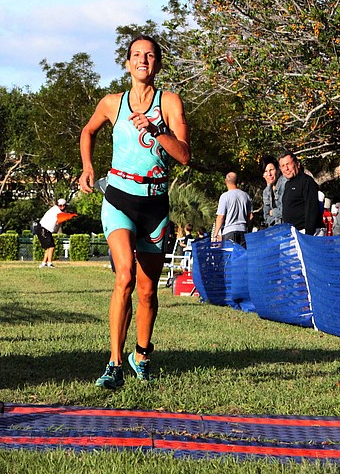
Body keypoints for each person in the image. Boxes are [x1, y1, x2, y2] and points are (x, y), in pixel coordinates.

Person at [79, 35, 190, 389]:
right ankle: (113, 362)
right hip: (119, 197)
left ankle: (141, 355)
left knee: (147, 289)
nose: (143, 60)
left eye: (150, 55)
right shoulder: (112, 103)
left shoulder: (170, 102)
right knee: (124, 275)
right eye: (137, 55)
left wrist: (157, 130)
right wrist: (87, 166)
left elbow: (184, 155)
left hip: (155, 203)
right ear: (127, 63)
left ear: (158, 63)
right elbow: (88, 130)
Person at [278, 150, 321, 235]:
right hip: (292, 233)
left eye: (288, 164)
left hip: (306, 233)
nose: (286, 168)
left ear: (297, 164)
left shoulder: (307, 181)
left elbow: (312, 210)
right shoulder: (287, 185)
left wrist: (308, 235)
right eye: (283, 166)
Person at [213, 172, 253, 247]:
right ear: (237, 181)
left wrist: (215, 235)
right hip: (243, 231)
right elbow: (250, 216)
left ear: (226, 181)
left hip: (229, 232)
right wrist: (249, 231)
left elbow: (220, 217)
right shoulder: (246, 196)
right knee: (242, 257)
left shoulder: (225, 197)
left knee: (230, 257)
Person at [35, 199, 68, 267]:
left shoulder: (56, 210)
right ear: (57, 205)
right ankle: (49, 263)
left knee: (49, 247)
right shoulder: (57, 211)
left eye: (63, 205)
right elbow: (63, 217)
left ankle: (43, 263)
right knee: (51, 247)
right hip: (43, 229)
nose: (62, 207)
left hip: (46, 230)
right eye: (60, 205)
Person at [261, 156, 287, 227]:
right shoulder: (266, 192)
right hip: (274, 230)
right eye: (266, 171)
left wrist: (272, 212)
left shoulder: (285, 184)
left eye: (271, 170)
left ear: (278, 170)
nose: (269, 174)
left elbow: (285, 210)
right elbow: (266, 216)